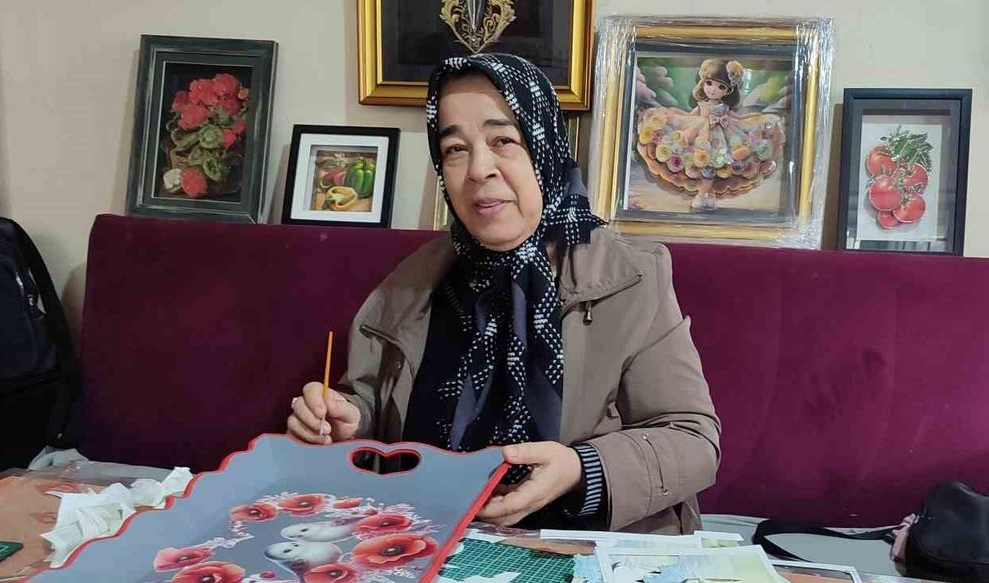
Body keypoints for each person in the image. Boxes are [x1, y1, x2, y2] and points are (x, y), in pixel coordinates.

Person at [285, 54, 720, 534]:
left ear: (544, 146)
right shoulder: (411, 283)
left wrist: (581, 469)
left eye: (503, 141)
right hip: (430, 540)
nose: (478, 169)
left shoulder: (633, 276)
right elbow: (368, 402)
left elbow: (693, 440)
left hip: (581, 546)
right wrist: (348, 420)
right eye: (455, 149)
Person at [635, 58, 786, 212]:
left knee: (719, 164)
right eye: (709, 83)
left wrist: (752, 119)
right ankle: (702, 195)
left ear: (728, 91)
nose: (713, 89)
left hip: (724, 136)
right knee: (703, 163)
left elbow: (737, 118)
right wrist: (676, 121)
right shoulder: (702, 104)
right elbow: (691, 117)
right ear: (703, 82)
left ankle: (708, 195)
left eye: (721, 87)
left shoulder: (724, 107)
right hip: (701, 133)